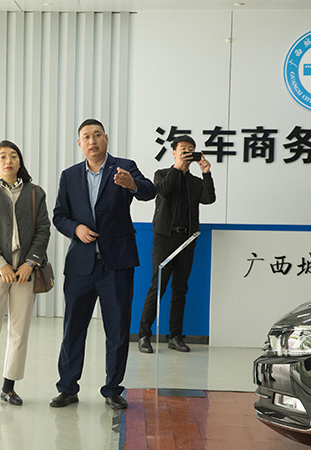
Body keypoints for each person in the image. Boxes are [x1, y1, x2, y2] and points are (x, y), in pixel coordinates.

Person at [50, 119, 156, 410]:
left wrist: (131, 184)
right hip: (81, 266)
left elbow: (149, 191)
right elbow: (59, 215)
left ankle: (113, 390)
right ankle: (67, 388)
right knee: (73, 329)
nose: (92, 140)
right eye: (86, 136)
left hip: (117, 264)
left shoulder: (124, 167)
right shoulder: (69, 176)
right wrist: (76, 229)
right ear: (79, 143)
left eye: (97, 135)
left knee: (117, 331)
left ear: (106, 139)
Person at [0, 140, 51, 408]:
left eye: (13, 156)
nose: (8, 160)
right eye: (2, 156)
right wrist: (0, 264)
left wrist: (30, 263)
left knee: (19, 330)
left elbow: (43, 230)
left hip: (25, 273)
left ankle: (9, 387)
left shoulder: (35, 193)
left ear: (20, 162)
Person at [137, 135, 215, 354]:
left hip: (187, 239)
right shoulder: (162, 174)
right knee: (158, 286)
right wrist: (177, 168)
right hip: (164, 237)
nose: (187, 152)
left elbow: (208, 199)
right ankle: (144, 335)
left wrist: (206, 173)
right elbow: (162, 191)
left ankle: (175, 336)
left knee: (180, 289)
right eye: (183, 149)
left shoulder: (195, 181)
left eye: (191, 149)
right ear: (174, 153)